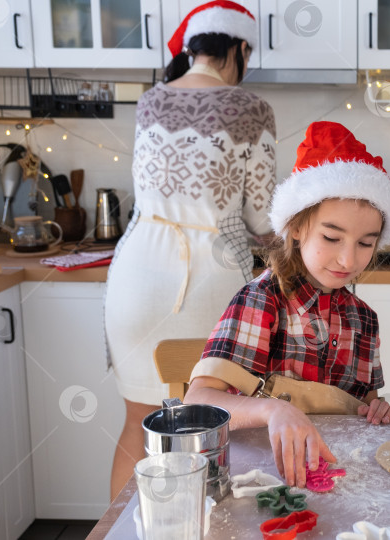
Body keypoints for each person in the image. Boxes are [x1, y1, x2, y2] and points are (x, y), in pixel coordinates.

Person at [103, 0, 275, 500]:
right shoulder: (251, 109)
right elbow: (262, 219)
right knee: (219, 426)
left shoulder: (151, 101)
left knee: (139, 423)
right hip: (211, 280)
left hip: (136, 276)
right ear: (240, 48)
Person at [184, 121, 390, 488]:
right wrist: (274, 408)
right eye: (332, 237)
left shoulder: (364, 320)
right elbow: (199, 401)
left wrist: (380, 411)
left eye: (366, 243)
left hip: (336, 478)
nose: (348, 260)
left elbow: (363, 412)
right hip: (259, 478)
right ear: (297, 227)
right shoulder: (263, 300)